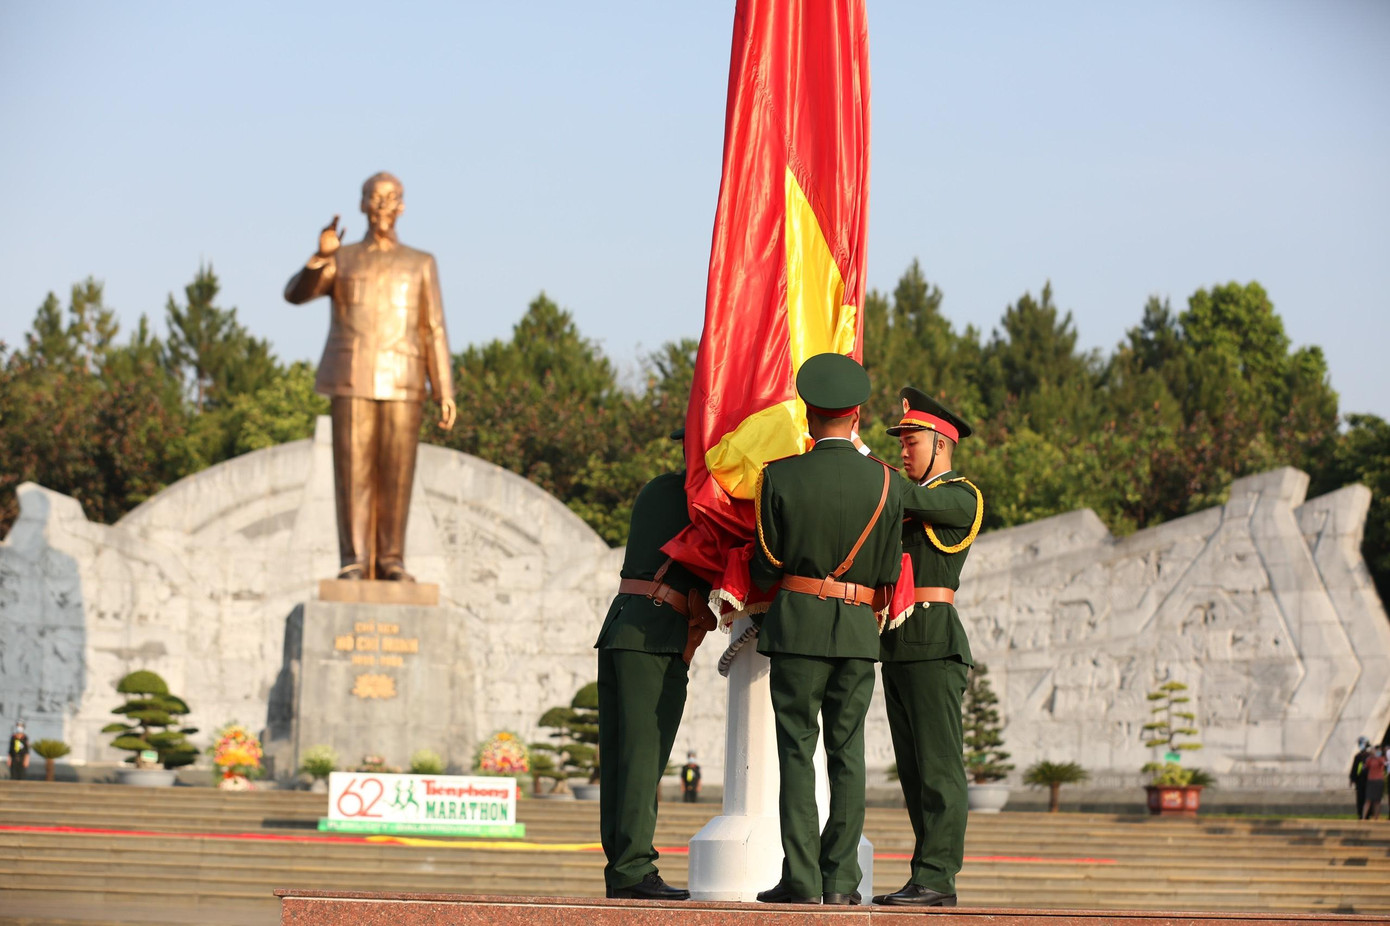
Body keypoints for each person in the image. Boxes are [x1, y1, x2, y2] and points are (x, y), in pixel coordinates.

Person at [752, 353, 904, 907]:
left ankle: (802, 878)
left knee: (796, 752)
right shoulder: (888, 483)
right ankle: (841, 882)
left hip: (797, 628)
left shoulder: (780, 476)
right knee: (848, 753)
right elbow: (889, 571)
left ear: (807, 412)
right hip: (858, 635)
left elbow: (767, 565)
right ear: (857, 414)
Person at [284, 172, 456, 582]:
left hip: (405, 379)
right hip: (351, 377)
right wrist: (320, 256)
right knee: (352, 472)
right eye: (373, 198)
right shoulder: (342, 258)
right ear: (362, 205)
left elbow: (434, 328)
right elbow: (295, 294)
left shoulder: (420, 262)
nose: (382, 206)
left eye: (390, 198)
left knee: (397, 474)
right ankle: (355, 560)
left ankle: (391, 559)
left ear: (402, 206)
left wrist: (444, 389)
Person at [872, 388, 983, 908]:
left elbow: (907, 498)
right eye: (901, 442)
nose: (902, 449)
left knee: (938, 768)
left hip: (934, 642)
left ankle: (937, 876)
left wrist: (859, 463)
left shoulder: (961, 496)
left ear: (941, 443)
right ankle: (925, 874)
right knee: (914, 773)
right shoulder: (906, 497)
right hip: (897, 644)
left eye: (911, 440)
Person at [595, 429, 714, 901]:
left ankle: (623, 868)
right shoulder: (704, 500)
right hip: (655, 634)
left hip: (626, 625)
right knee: (642, 760)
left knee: (623, 760)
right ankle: (633, 869)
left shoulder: (657, 489)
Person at [1363, 745, 1387, 821]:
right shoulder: (1369, 759)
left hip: (1379, 780)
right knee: (1368, 800)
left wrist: (1376, 756)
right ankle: (1363, 818)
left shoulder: (1381, 758)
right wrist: (1371, 756)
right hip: (1371, 780)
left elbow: (1383, 763)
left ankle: (1376, 817)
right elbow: (1366, 766)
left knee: (1377, 800)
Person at [1351, 737, 1372, 820]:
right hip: (1360, 781)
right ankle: (1360, 813)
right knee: (1360, 797)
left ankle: (1367, 814)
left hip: (1369, 780)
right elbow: (1354, 769)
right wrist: (1352, 779)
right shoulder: (1358, 756)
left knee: (1368, 798)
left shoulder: (1370, 756)